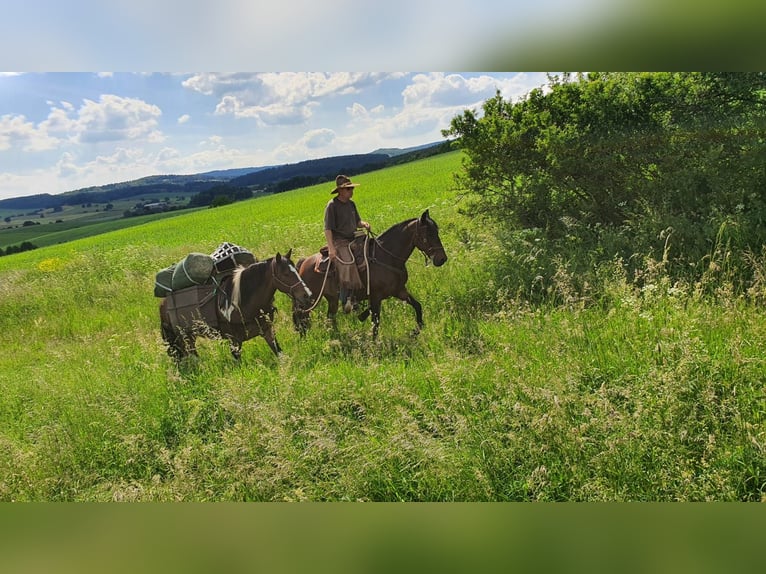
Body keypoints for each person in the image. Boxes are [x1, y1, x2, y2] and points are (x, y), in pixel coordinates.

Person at [323, 174, 370, 313]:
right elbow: (328, 228)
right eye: (349, 189)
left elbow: (357, 222)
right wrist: (331, 248)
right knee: (347, 263)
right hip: (340, 242)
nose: (351, 191)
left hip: (354, 238)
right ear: (341, 191)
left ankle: (366, 291)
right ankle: (346, 299)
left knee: (371, 254)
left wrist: (364, 224)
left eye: (351, 188)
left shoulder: (351, 204)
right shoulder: (332, 205)